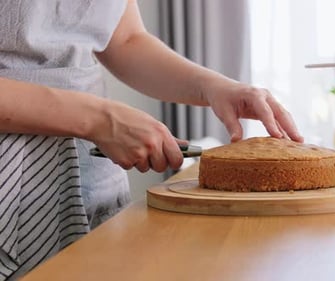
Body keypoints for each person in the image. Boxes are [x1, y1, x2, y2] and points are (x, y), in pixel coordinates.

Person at [0, 0, 303, 279]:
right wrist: (97, 118)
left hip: (90, 166)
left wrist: (214, 87)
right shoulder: (97, 120)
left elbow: (126, 39)